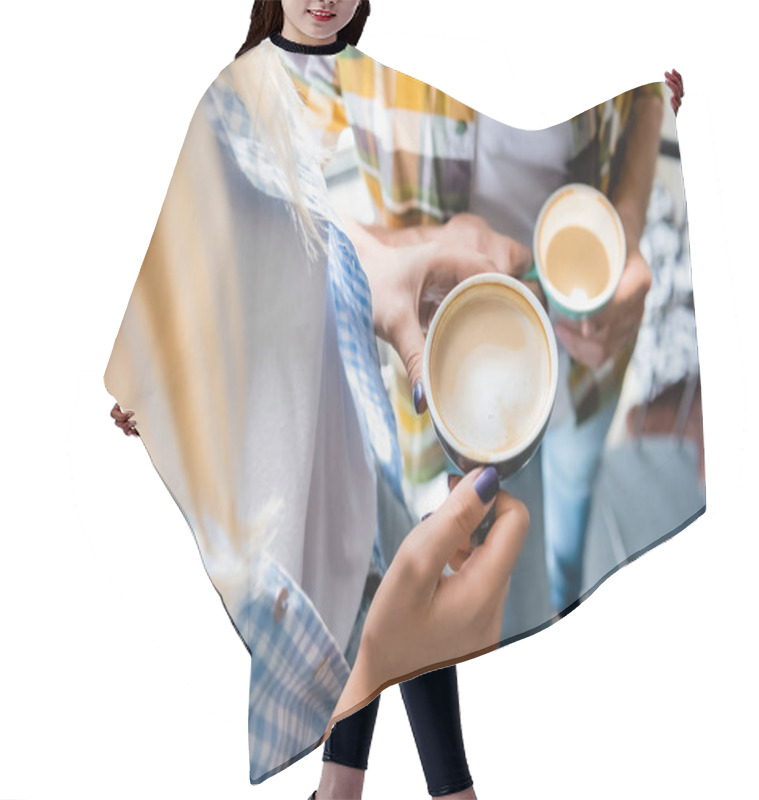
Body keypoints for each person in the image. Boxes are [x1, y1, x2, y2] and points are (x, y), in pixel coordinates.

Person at [107, 0, 529, 794]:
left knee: (393, 574)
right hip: (296, 393)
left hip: (374, 389)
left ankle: (364, 789)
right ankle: (393, 789)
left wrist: (641, 113)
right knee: (360, 578)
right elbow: (194, 250)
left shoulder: (379, 88)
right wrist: (148, 374)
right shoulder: (238, 93)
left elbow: (491, 147)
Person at [278, 35, 665, 626]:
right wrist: (394, 254)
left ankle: (570, 606)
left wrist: (629, 226)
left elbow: (648, 90)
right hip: (448, 363)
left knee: (572, 511)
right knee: (508, 563)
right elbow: (261, 165)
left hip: (594, 358)